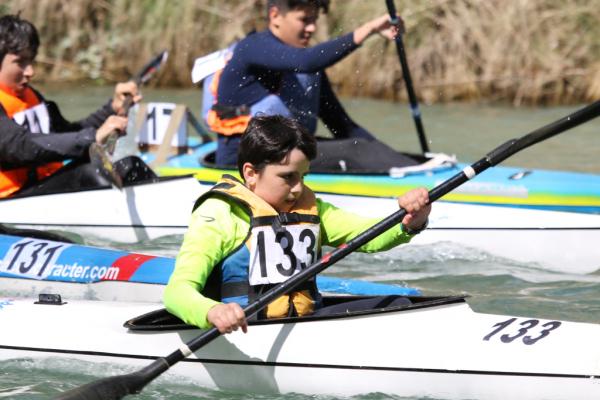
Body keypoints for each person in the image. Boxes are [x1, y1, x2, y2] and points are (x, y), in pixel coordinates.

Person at [163, 115, 430, 334]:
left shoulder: (310, 209)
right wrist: (212, 311)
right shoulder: (220, 214)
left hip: (305, 325)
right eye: (287, 177)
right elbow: (177, 293)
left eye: (303, 176)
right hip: (244, 331)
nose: (298, 188)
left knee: (398, 304)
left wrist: (410, 221)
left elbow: (370, 235)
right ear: (251, 173)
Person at [203, 0, 403, 166]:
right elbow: (306, 61)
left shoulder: (307, 71)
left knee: (359, 146)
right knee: (355, 151)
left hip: (285, 155)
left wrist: (389, 154)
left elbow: (342, 126)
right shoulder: (252, 47)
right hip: (243, 162)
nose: (312, 28)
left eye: (314, 20)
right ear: (275, 16)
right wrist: (368, 29)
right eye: (304, 20)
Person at [0, 14, 146, 198]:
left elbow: (68, 134)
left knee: (128, 165)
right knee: (93, 174)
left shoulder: (32, 96)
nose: (31, 71)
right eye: (20, 62)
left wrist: (112, 109)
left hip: (42, 188)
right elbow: (20, 147)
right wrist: (92, 137)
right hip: (11, 200)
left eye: (31, 60)